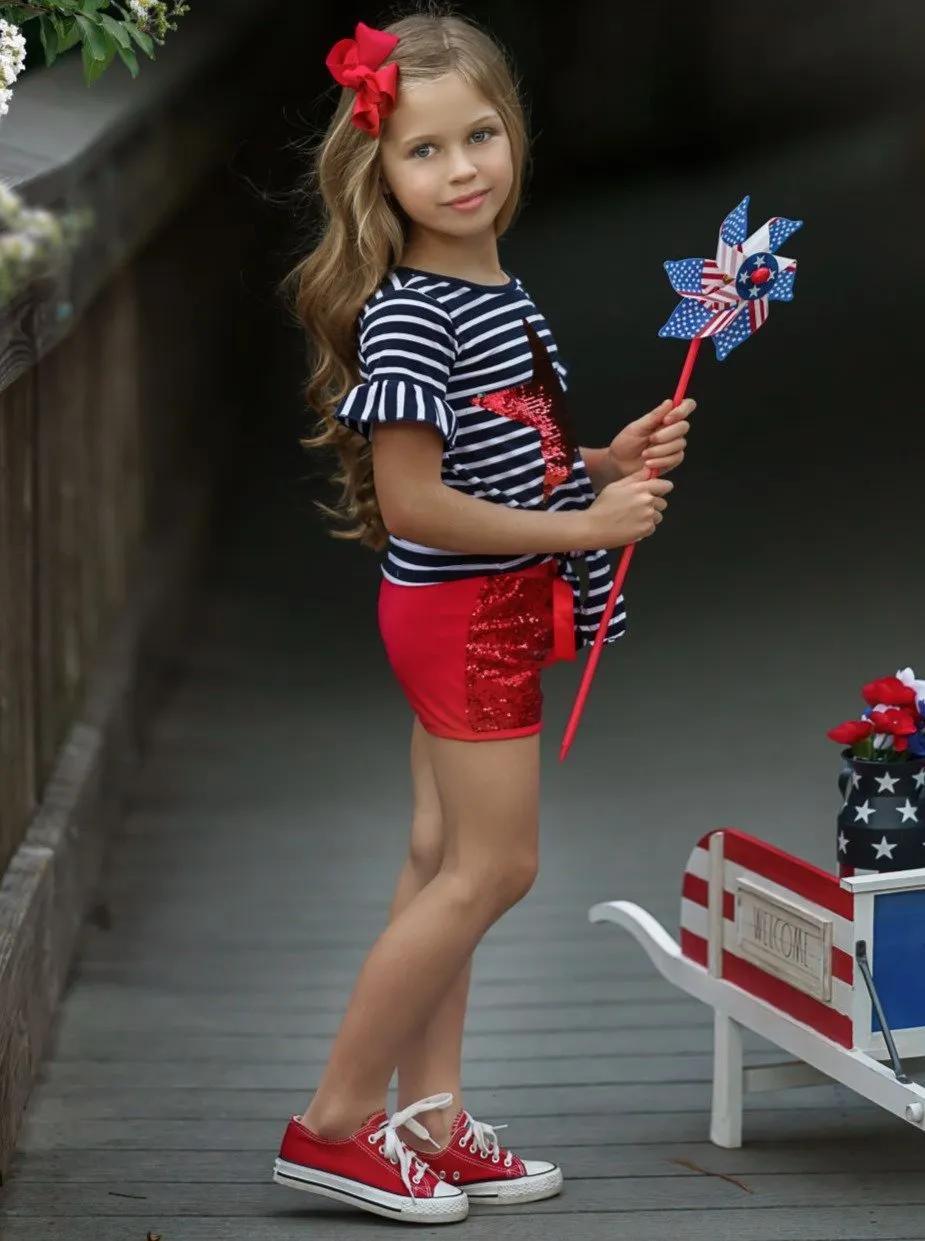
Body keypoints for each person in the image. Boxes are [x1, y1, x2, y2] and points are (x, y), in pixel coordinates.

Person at [273, 9, 693, 1225]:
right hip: (466, 616)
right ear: (378, 173)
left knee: (436, 854)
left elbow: (511, 460)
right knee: (496, 864)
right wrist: (584, 534)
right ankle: (335, 1121)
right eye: (424, 150)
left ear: (514, 133)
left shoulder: (498, 291)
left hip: (485, 603)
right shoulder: (414, 314)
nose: (461, 169)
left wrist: (606, 462)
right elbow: (417, 504)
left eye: (481, 135)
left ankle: (433, 1118)